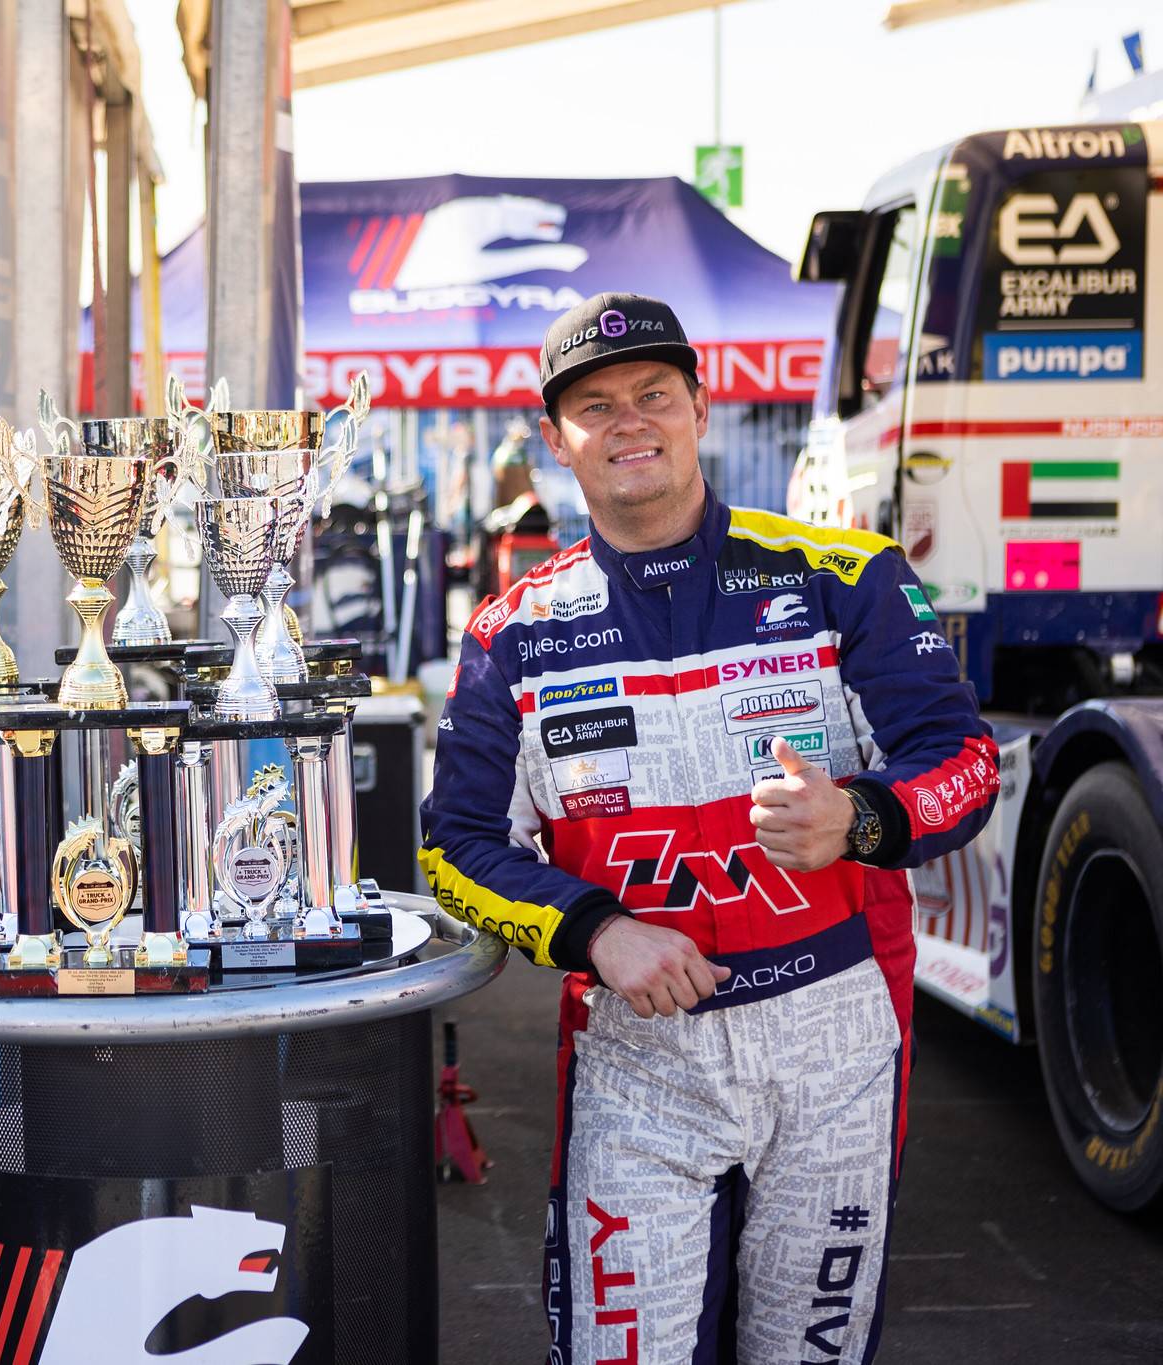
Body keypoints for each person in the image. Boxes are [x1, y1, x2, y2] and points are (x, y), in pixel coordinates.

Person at [419, 293, 998, 1363]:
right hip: (637, 1051)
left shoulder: (845, 575)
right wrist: (596, 931)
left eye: (652, 394)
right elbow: (453, 847)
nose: (628, 422)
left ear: (699, 406)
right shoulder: (511, 635)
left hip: (831, 1040)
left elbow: (964, 763)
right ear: (556, 439)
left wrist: (860, 816)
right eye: (596, 406)